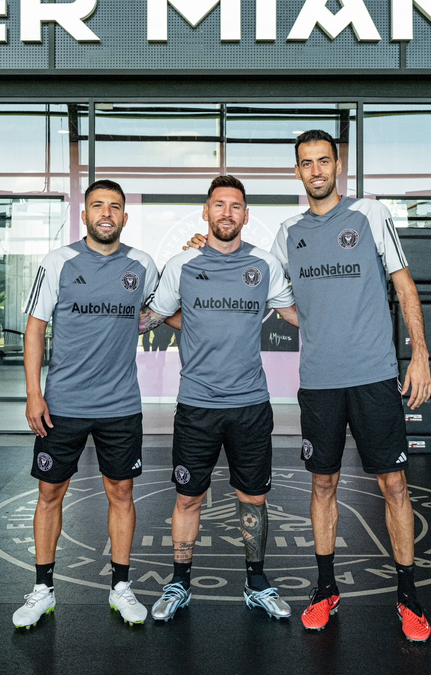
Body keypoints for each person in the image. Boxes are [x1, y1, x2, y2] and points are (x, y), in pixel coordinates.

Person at [186, 130, 431, 641]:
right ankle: (325, 589)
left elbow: (404, 285)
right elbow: (256, 275)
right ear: (297, 172)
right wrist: (204, 248)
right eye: (306, 163)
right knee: (323, 484)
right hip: (319, 382)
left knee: (393, 485)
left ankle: (408, 598)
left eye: (324, 161)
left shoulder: (370, 215)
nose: (316, 170)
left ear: (337, 165)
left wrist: (421, 355)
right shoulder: (288, 233)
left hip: (375, 377)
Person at [140, 175, 299, 623]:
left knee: (253, 499)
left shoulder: (264, 265)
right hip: (197, 404)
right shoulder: (182, 265)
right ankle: (179, 583)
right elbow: (156, 314)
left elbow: (296, 313)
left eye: (236, 206)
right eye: (219, 205)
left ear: (246, 215)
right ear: (206, 213)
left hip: (250, 403)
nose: (227, 212)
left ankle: (257, 582)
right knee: (189, 498)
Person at [12, 180, 159, 630]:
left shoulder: (142, 265)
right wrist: (34, 394)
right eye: (98, 205)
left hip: (119, 403)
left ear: (125, 217)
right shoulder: (59, 262)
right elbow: (35, 328)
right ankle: (43, 590)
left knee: (122, 493)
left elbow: (157, 310)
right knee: (50, 493)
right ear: (85, 215)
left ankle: (120, 587)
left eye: (115, 206)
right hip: (63, 404)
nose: (107, 213)